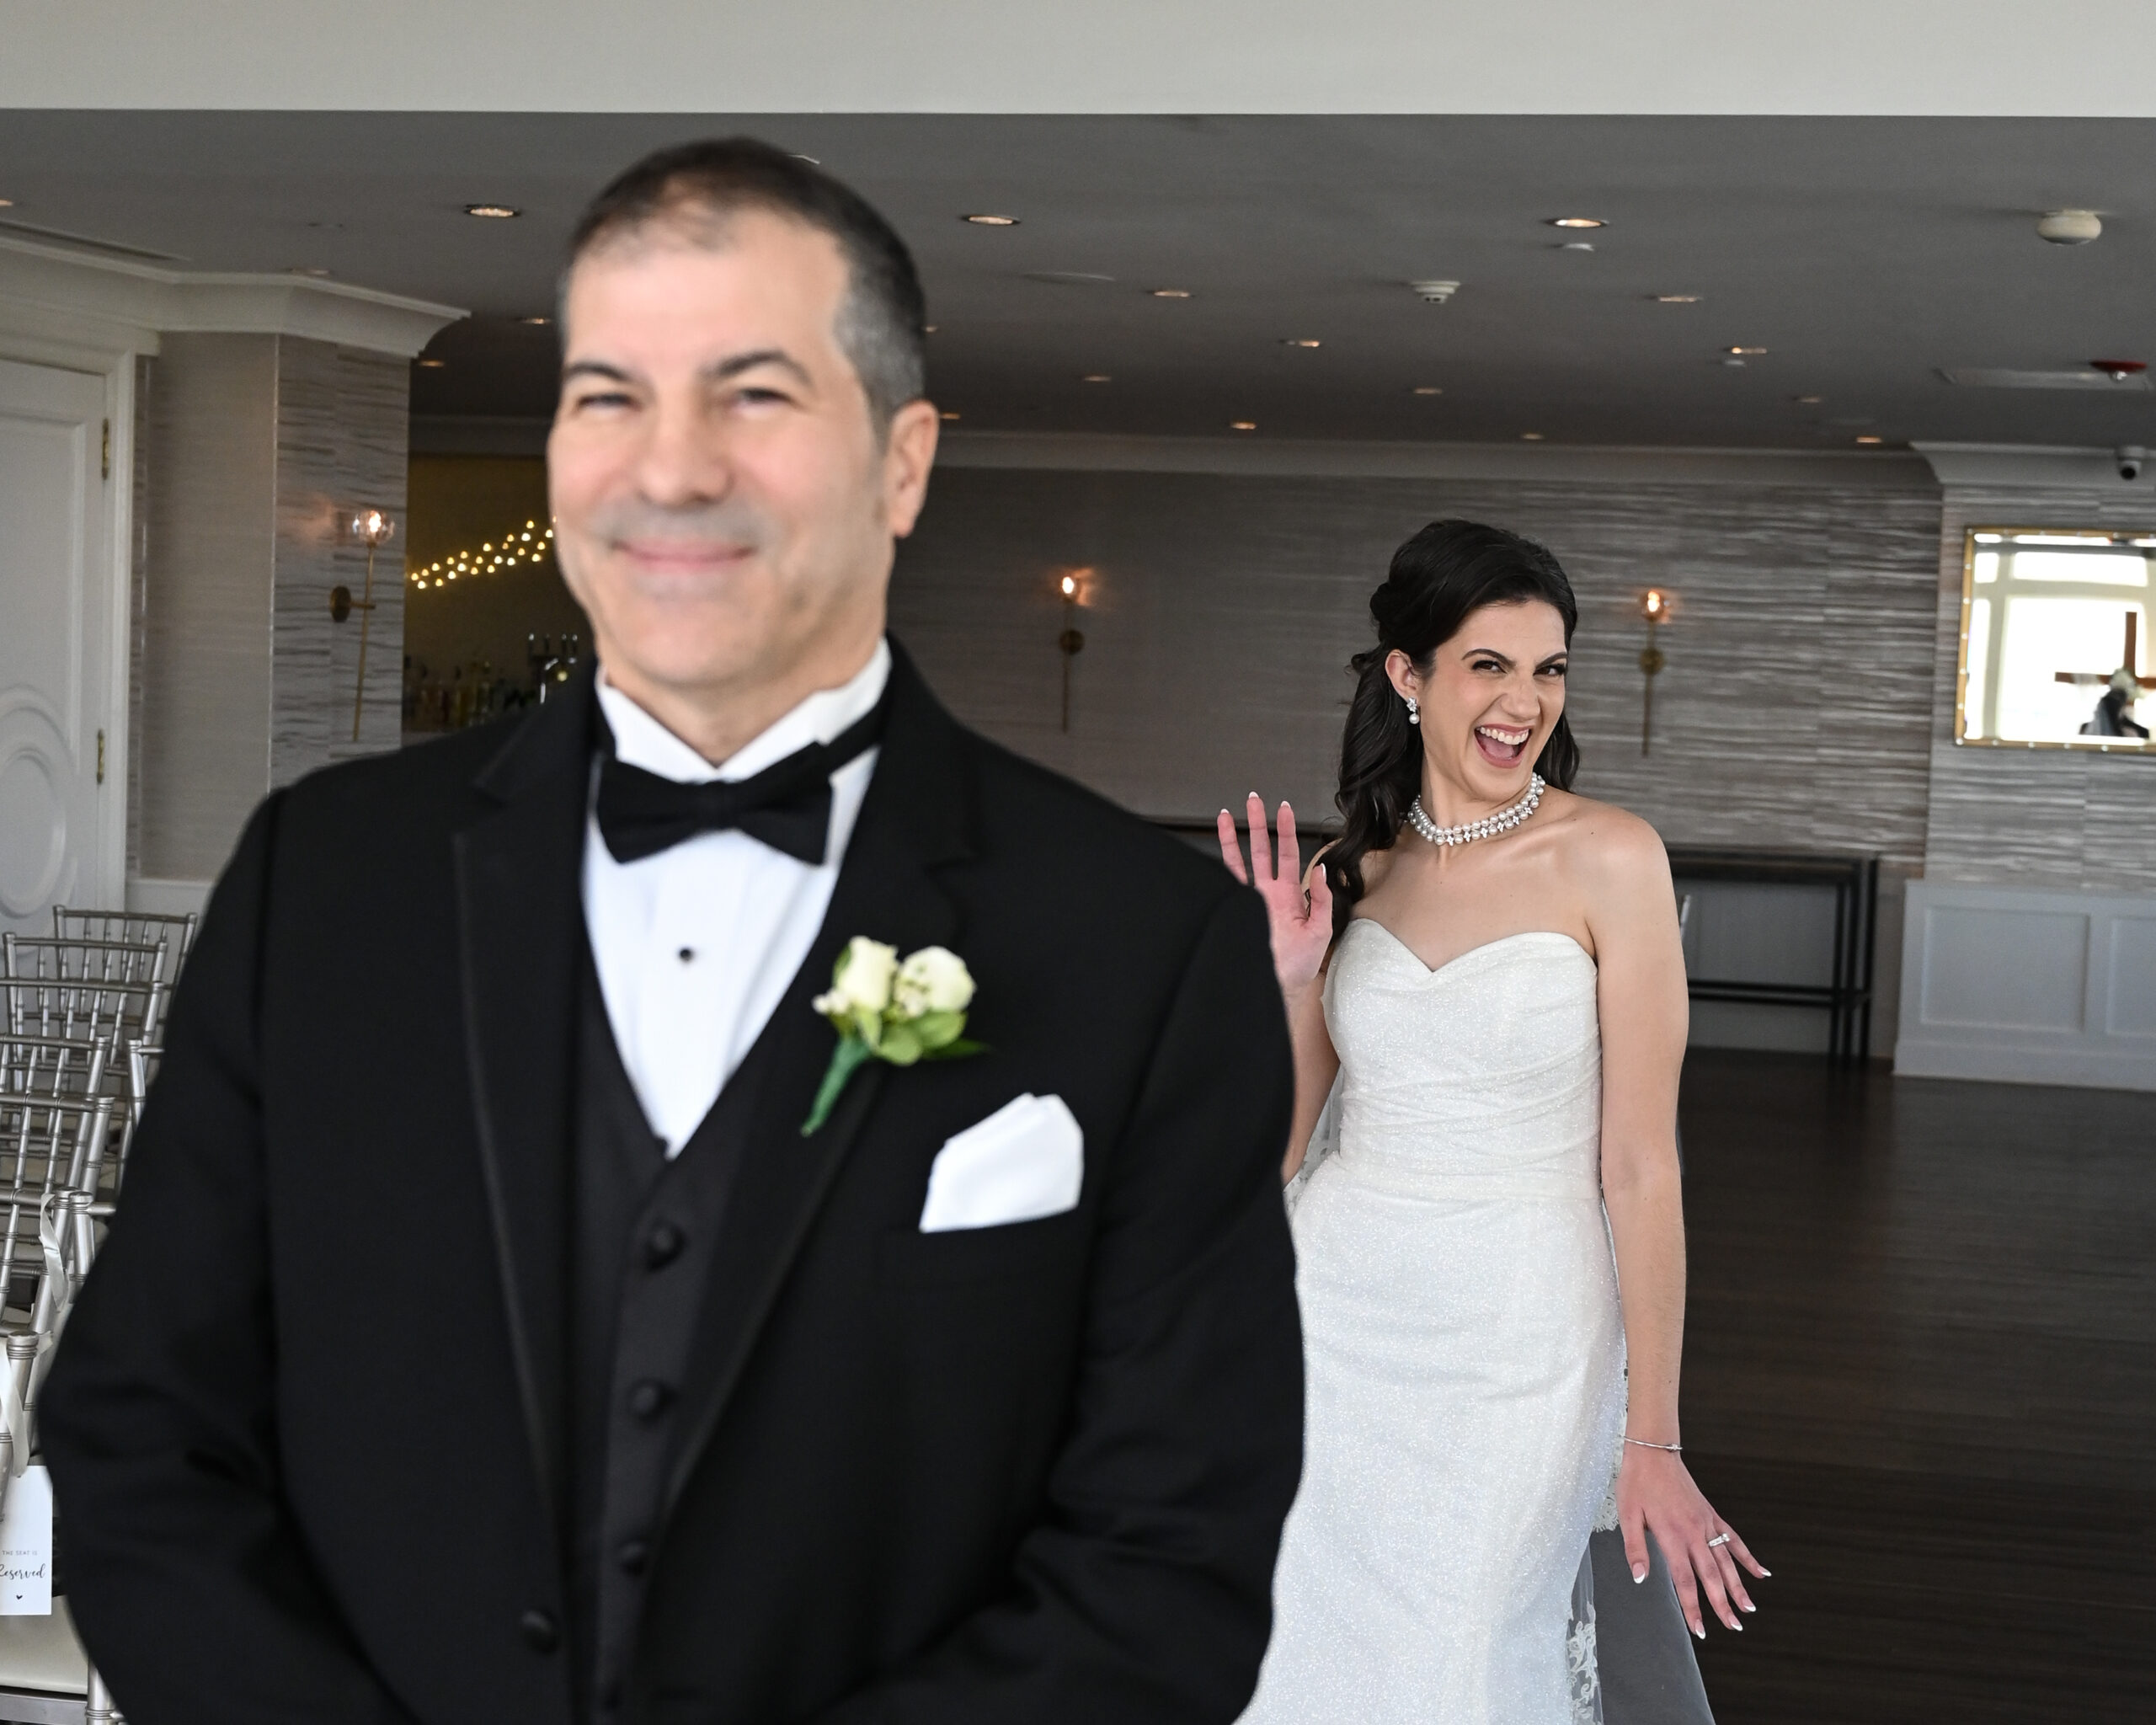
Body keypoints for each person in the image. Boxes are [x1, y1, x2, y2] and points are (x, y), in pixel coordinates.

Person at [41, 138, 1305, 1725]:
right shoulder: (326, 878)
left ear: (902, 463)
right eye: (608, 396)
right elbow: (140, 1435)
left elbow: (1166, 1569)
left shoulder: (1143, 945)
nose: (672, 469)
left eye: (754, 395)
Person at [1219, 521, 1765, 1723]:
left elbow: (1643, 1164)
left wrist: (1655, 1439)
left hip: (1525, 1327)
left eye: (1549, 669)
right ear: (1407, 675)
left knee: (1462, 1652)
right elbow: (1288, 1146)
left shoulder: (1610, 856)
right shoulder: (1354, 873)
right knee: (1294, 1635)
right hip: (1333, 1308)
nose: (1526, 702)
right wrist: (1289, 980)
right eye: (1489, 665)